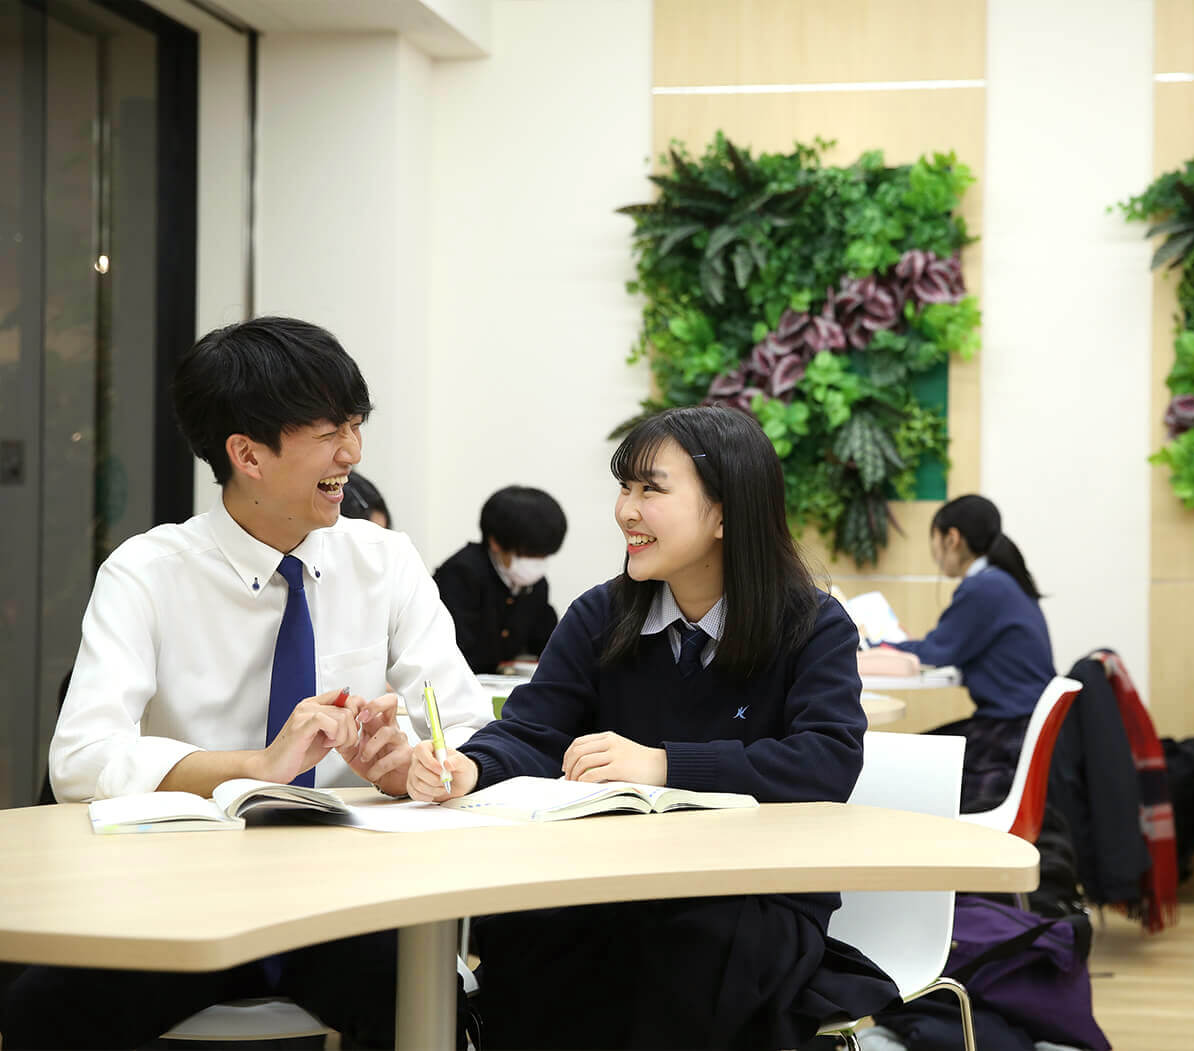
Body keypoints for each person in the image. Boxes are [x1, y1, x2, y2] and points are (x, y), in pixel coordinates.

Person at [1, 317, 491, 1050]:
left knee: (451, 1008)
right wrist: (256, 769)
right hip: (177, 899)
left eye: (356, 425)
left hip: (343, 901)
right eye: (329, 431)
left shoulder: (386, 561)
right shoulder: (147, 572)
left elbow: (470, 729)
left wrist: (415, 766)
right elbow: (80, 758)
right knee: (44, 1010)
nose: (352, 453)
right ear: (247, 453)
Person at [406, 406, 900, 1050]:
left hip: (752, 894)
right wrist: (469, 765)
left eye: (651, 489)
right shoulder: (599, 615)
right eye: (624, 487)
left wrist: (663, 765)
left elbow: (825, 761)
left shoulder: (810, 624)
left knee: (685, 957)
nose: (625, 511)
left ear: (726, 511)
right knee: (527, 937)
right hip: (610, 882)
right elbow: (532, 730)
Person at [887, 494, 1056, 813]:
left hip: (1008, 731)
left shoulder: (984, 586)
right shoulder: (1002, 581)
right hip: (1019, 724)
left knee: (901, 760)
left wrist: (876, 643)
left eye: (934, 541)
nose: (935, 556)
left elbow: (936, 651)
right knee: (911, 753)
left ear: (952, 538)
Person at [434, 486, 566, 673]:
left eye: (542, 556)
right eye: (528, 554)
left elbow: (548, 642)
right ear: (495, 542)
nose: (536, 564)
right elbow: (455, 651)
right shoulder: (462, 573)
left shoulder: (535, 583)